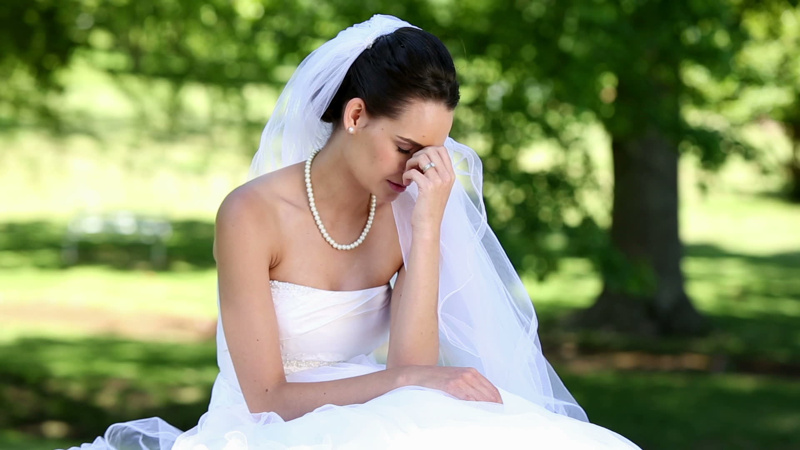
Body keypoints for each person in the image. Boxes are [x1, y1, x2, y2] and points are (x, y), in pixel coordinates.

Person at [70, 14, 640, 449]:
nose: (417, 170)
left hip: (377, 409)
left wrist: (427, 227)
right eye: (406, 149)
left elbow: (410, 369)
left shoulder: (407, 210)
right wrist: (408, 383)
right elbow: (267, 399)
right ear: (356, 115)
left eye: (434, 155)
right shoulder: (251, 215)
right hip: (271, 426)